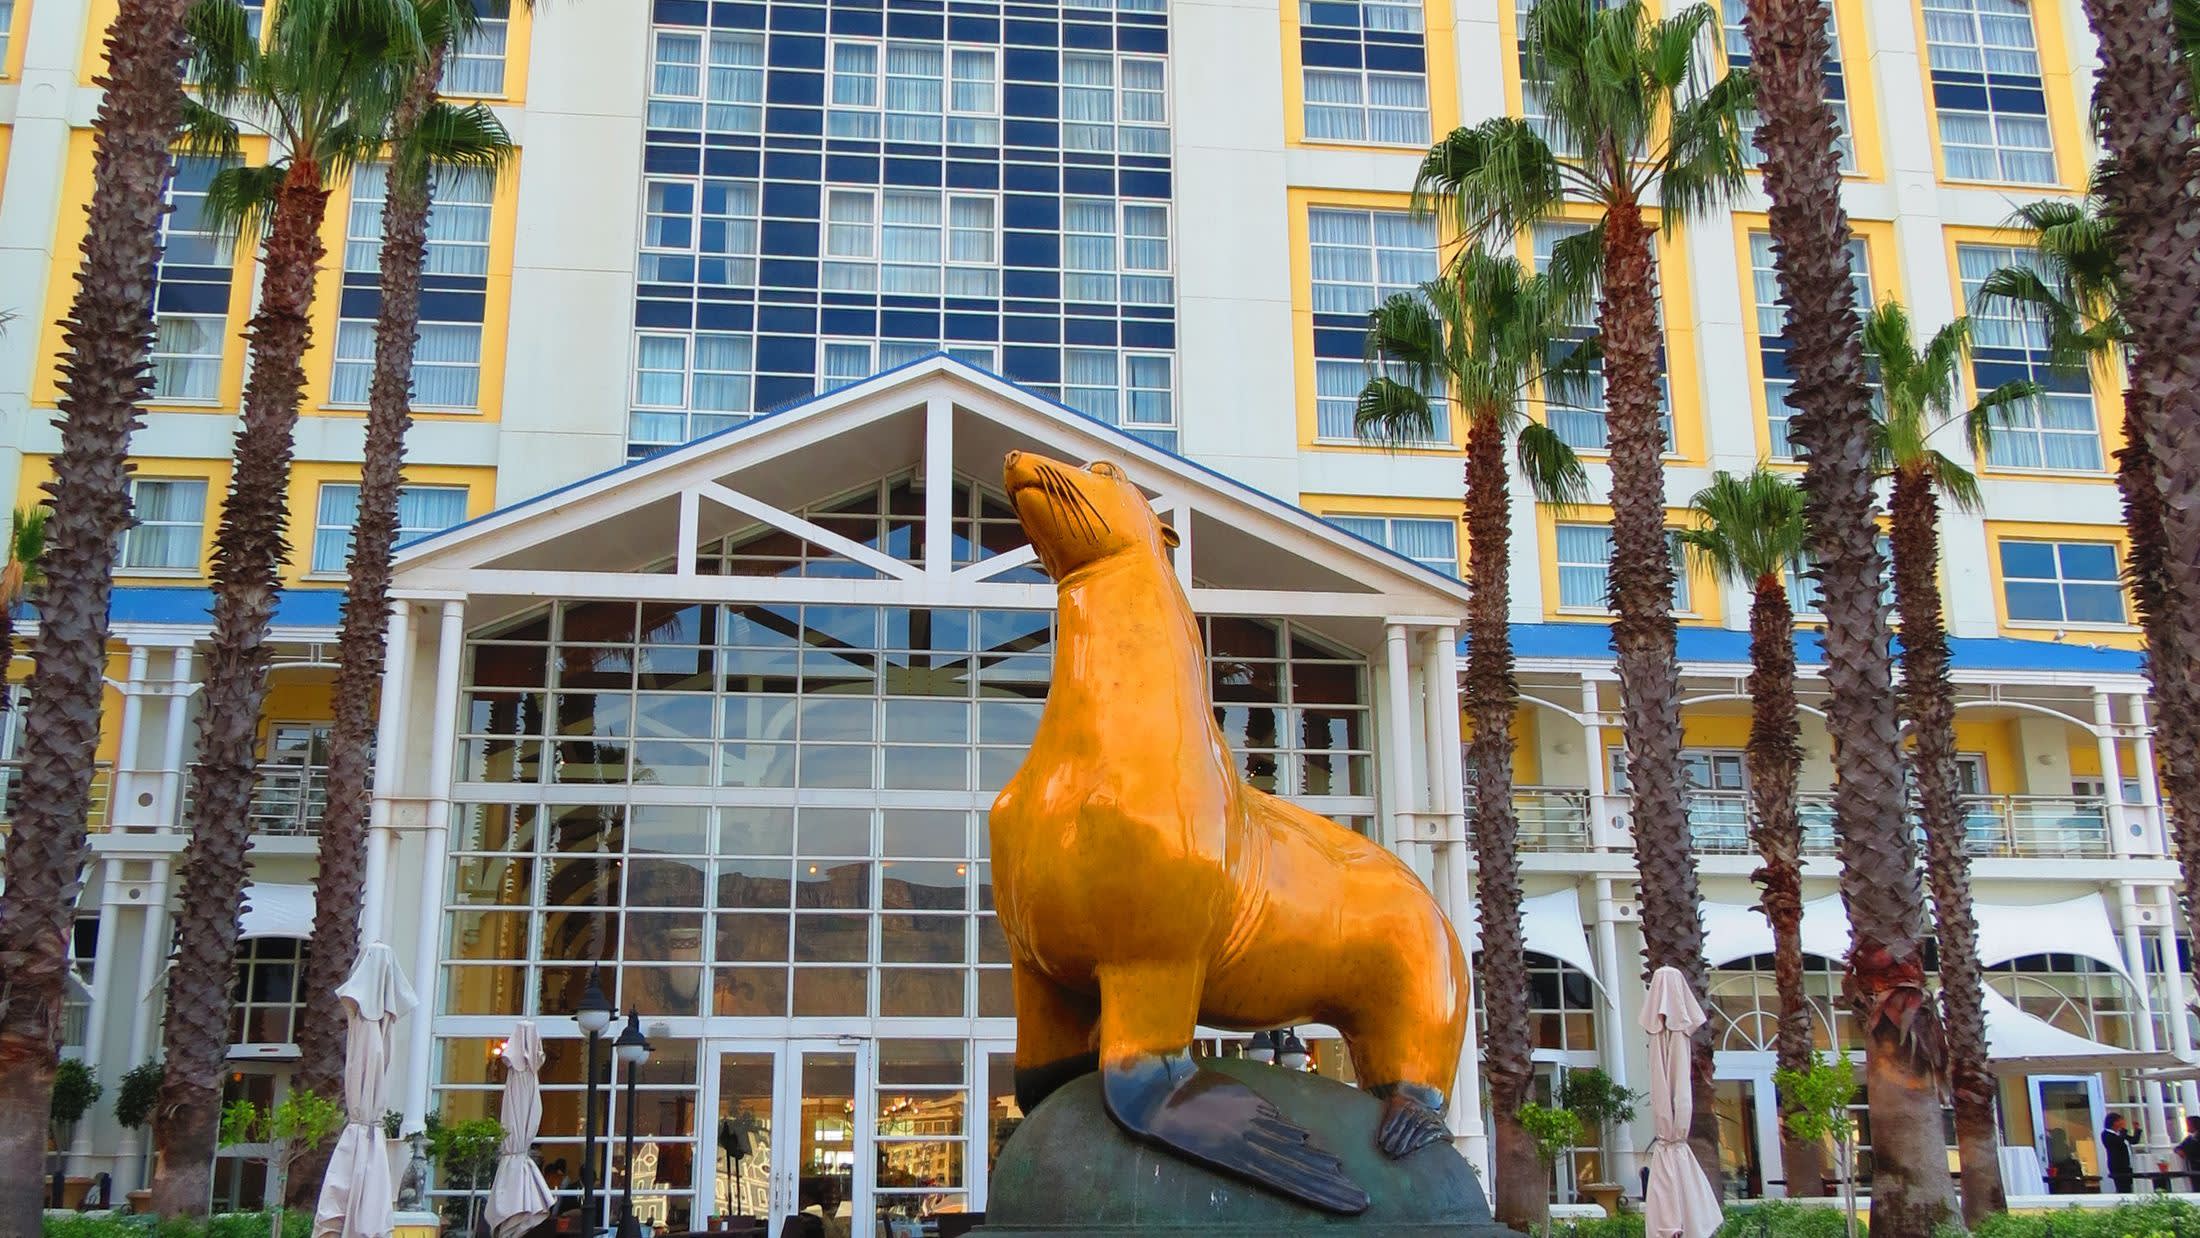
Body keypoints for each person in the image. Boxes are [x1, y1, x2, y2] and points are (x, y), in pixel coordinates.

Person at [2102, 1112, 2137, 1193]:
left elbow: (2133, 1140)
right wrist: (2123, 1131)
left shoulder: (2119, 1135)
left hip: (2126, 1165)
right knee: (2122, 1187)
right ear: (2114, 1122)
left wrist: (2137, 1130)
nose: (2123, 1123)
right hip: (2118, 1166)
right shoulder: (2106, 1134)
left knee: (2128, 1186)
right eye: (2120, 1121)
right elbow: (2119, 1143)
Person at [2178, 1116, 2200, 1192]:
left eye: (2188, 1124)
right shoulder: (2190, 1138)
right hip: (2193, 1166)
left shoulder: (2196, 1138)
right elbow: (2179, 1147)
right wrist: (2179, 1151)